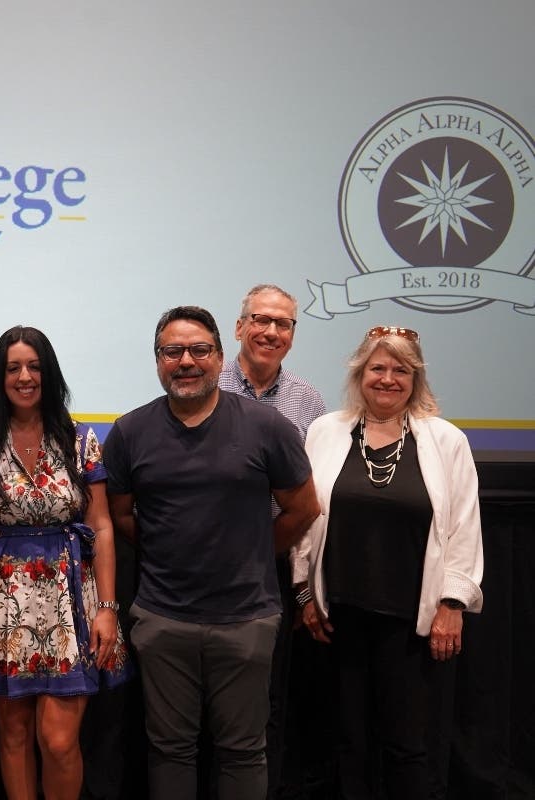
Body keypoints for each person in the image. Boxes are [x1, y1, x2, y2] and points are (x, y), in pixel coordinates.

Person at [102, 305, 319, 800]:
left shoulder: (267, 427)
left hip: (247, 618)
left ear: (221, 358)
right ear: (157, 361)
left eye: (199, 350)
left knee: (243, 751)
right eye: (172, 352)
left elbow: (303, 508)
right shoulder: (130, 431)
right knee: (170, 749)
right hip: (162, 618)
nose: (186, 361)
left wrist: (253, 552)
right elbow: (120, 516)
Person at [292, 325, 484, 799]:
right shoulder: (325, 431)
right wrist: (304, 594)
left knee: (407, 745)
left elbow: (464, 526)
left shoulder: (446, 441)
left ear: (416, 379)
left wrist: (453, 603)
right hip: (340, 616)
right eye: (378, 367)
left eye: (401, 370)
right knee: (346, 740)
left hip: (412, 625)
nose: (388, 378)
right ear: (360, 373)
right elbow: (305, 520)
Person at [0, 325, 131, 800]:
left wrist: (108, 607)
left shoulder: (81, 441)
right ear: (0, 377)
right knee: (12, 737)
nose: (25, 376)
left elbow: (104, 526)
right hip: (3, 604)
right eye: (13, 368)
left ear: (49, 373)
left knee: (57, 740)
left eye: (34, 366)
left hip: (72, 602)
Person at [217, 284, 326, 797]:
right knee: (201, 700)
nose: (270, 331)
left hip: (271, 565)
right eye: (260, 320)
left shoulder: (309, 401)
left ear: (292, 335)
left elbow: (309, 497)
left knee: (266, 698)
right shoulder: (201, 379)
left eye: (282, 324)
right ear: (239, 327)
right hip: (201, 564)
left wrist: (278, 558)